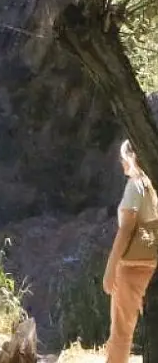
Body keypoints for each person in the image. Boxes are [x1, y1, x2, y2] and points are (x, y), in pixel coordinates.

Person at [103, 140, 158, 363]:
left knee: (121, 332)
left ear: (132, 157)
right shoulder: (151, 185)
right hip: (150, 264)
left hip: (130, 267)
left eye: (123, 157)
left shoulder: (135, 185)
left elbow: (125, 230)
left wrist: (110, 269)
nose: (121, 163)